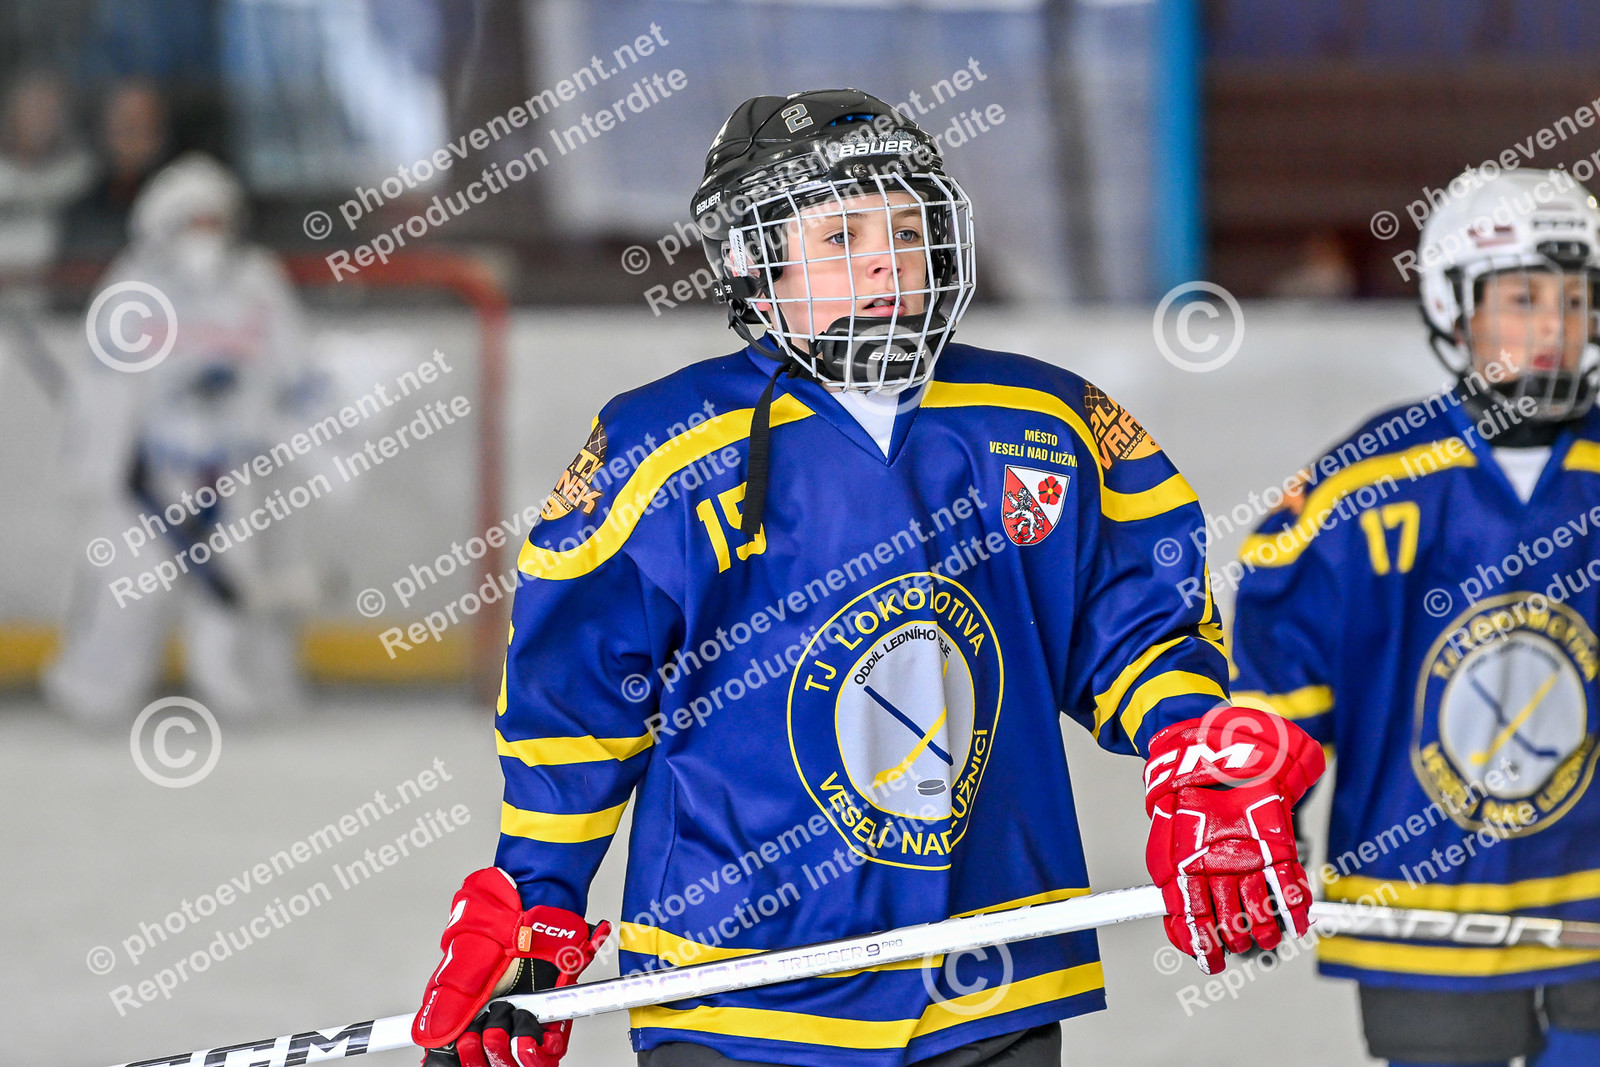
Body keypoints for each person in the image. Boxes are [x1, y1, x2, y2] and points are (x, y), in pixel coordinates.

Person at [413, 89, 1324, 1067]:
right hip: (735, 993)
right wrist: (536, 903)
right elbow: (576, 705)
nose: (888, 260)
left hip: (992, 983)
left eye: (908, 230)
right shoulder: (660, 447)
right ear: (751, 260)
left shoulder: (1044, 420)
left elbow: (1136, 630)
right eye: (841, 236)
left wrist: (1198, 756)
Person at [1231, 167, 1600, 1067]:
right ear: (1452, 307)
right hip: (1420, 907)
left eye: (1575, 299)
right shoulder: (1362, 486)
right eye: (1523, 299)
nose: (1554, 328)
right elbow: (1281, 684)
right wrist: (1250, 824)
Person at [44, 152, 319, 725]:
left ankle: (244, 691)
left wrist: (287, 438)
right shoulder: (132, 285)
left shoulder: (255, 281)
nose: (206, 234)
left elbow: (291, 371)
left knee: (235, 586)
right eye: (194, 221)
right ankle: (94, 689)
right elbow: (102, 384)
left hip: (230, 471)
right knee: (128, 586)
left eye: (216, 221)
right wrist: (98, 462)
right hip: (150, 472)